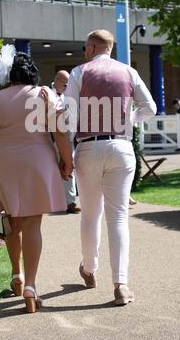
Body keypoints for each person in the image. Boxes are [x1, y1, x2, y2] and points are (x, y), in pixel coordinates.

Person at [0, 46, 73, 313]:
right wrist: (68, 161)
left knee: (11, 220)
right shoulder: (45, 94)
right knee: (32, 224)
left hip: (3, 161)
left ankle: (16, 274)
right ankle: (30, 286)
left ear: (9, 75)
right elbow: (61, 133)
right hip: (38, 160)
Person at [65, 29, 156, 305]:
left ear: (91, 48)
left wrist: (66, 154)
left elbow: (69, 115)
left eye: (85, 47)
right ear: (110, 48)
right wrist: (130, 119)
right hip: (121, 147)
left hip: (89, 148)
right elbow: (149, 107)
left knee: (90, 215)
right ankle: (121, 284)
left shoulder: (79, 72)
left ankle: (89, 269)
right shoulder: (129, 72)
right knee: (117, 218)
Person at [50, 70, 81, 214]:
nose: (67, 87)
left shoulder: (68, 97)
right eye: (65, 84)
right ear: (56, 80)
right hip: (49, 140)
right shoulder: (45, 94)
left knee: (69, 169)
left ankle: (70, 202)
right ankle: (52, 201)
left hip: (66, 139)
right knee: (50, 170)